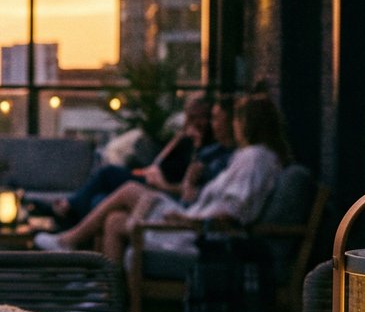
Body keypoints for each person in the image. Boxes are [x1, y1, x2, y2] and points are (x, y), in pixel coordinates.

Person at [34, 95, 291, 266]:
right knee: (114, 220)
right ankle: (107, 297)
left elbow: (233, 213)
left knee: (127, 188)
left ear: (248, 124)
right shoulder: (250, 157)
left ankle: (69, 241)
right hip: (191, 221)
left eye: (236, 120)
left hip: (195, 234)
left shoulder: (255, 159)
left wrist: (187, 220)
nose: (233, 125)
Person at [55, 95, 223, 224]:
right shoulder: (187, 141)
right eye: (189, 116)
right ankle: (78, 241)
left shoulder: (207, 152)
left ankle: (68, 208)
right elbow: (160, 161)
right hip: (152, 178)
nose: (192, 122)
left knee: (108, 173)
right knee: (98, 200)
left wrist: (161, 183)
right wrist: (179, 138)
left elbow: (190, 189)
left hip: (160, 189)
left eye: (196, 117)